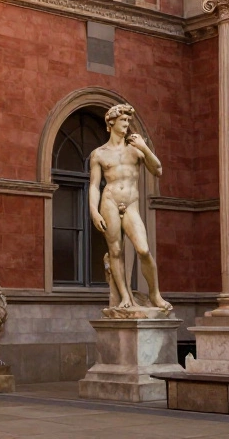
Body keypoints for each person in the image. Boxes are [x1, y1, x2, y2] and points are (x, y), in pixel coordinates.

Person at [88, 104, 171, 311]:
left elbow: (158, 170)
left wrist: (144, 147)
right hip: (109, 202)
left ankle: (155, 295)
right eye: (123, 121)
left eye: (128, 121)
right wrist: (94, 211)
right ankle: (124, 296)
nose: (127, 124)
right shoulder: (98, 154)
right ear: (112, 122)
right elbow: (94, 186)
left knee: (143, 249)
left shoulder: (135, 149)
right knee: (115, 251)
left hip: (131, 203)